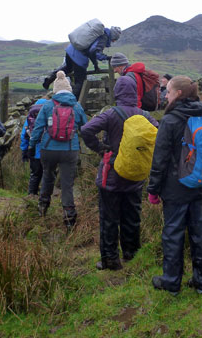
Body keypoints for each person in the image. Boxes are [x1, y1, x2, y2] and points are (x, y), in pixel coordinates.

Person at [81, 75, 159, 270]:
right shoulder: (145, 115)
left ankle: (110, 260)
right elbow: (159, 135)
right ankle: (132, 255)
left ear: (117, 93)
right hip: (135, 175)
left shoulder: (110, 114)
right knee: (132, 216)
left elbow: (86, 130)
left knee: (109, 218)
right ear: (135, 93)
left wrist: (100, 148)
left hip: (112, 174)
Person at [147, 76, 202, 296]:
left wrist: (153, 190)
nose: (165, 94)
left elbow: (160, 159)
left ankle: (172, 281)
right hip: (200, 185)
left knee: (173, 235)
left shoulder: (171, 120)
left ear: (178, 94)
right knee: (200, 234)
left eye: (168, 91)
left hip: (175, 189)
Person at [29, 71, 88, 231]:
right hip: (70, 149)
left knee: (48, 176)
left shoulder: (48, 105)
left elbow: (38, 127)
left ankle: (42, 208)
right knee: (67, 184)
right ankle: (69, 218)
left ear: (55, 90)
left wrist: (32, 145)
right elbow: (86, 126)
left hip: (48, 149)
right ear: (69, 89)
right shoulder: (76, 106)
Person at [42, 26, 122, 96]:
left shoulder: (99, 33)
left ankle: (49, 79)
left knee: (67, 68)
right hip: (78, 56)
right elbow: (94, 51)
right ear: (113, 37)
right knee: (80, 82)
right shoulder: (103, 37)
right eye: (114, 40)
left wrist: (95, 65)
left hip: (71, 49)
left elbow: (91, 52)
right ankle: (72, 102)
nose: (113, 42)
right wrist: (106, 57)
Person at [20, 97, 50, 196]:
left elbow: (24, 135)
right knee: (48, 175)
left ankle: (31, 195)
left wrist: (24, 150)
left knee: (35, 174)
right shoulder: (50, 114)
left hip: (34, 151)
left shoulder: (30, 117)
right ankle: (45, 197)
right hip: (48, 151)